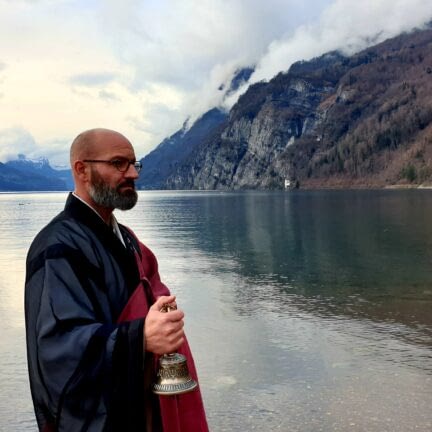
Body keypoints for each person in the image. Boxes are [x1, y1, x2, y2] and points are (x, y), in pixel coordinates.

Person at [25, 128, 208, 432]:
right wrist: (141, 338)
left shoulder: (127, 240)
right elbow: (57, 347)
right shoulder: (57, 247)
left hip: (139, 407)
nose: (133, 174)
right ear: (82, 170)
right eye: (119, 163)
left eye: (135, 164)